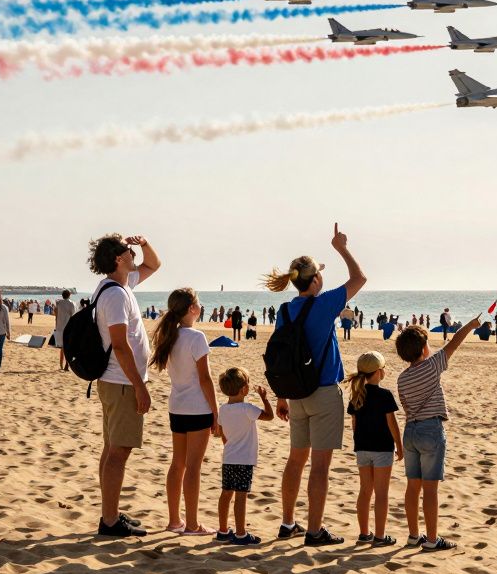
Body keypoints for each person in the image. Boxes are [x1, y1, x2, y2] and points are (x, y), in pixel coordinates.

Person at [262, 223, 366, 547]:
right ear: (316, 280)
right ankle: (314, 530)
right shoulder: (325, 303)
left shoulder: (285, 310)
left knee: (296, 459)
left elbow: (281, 354)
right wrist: (342, 249)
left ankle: (287, 522)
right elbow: (359, 278)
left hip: (295, 394)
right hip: (322, 391)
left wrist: (281, 395)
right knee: (320, 466)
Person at [90, 233, 160, 538]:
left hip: (114, 380)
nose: (133, 253)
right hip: (121, 381)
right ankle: (109, 520)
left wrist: (144, 243)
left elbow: (154, 265)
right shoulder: (116, 294)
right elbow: (120, 345)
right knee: (118, 452)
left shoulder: (119, 285)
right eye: (129, 250)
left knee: (111, 449)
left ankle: (111, 513)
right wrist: (139, 386)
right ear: (119, 259)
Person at [395, 314, 480, 551]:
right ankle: (432, 540)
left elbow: (406, 405)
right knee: (430, 489)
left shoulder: (402, 378)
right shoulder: (432, 366)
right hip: (430, 429)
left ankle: (414, 535)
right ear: (423, 349)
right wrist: (472, 325)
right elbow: (455, 342)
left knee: (413, 486)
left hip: (410, 431)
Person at [149, 287, 217, 536]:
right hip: (197, 408)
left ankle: (174, 520)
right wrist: (216, 411)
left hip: (177, 406)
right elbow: (205, 379)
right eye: (198, 303)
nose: (201, 306)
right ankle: (192, 524)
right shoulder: (196, 337)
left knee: (177, 464)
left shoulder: (171, 336)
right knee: (193, 466)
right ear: (191, 309)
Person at [347, 351, 402, 546]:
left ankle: (364, 534)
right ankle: (379, 536)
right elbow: (392, 424)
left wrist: (359, 441)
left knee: (365, 490)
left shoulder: (356, 395)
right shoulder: (385, 395)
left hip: (362, 448)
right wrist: (400, 447)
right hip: (382, 448)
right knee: (381, 493)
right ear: (379, 372)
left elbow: (354, 424)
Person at [215, 367, 273, 545]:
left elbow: (222, 433)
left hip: (228, 458)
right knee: (241, 496)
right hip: (244, 460)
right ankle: (240, 534)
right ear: (244, 390)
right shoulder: (248, 408)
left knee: (226, 493)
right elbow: (269, 416)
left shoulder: (223, 409)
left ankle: (223, 530)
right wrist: (264, 399)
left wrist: (231, 446)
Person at [55, 289, 76, 370]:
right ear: (69, 295)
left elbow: (56, 314)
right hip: (68, 327)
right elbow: (73, 316)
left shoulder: (59, 303)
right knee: (67, 347)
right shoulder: (71, 303)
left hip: (59, 327)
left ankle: (61, 364)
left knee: (62, 347)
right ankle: (66, 365)